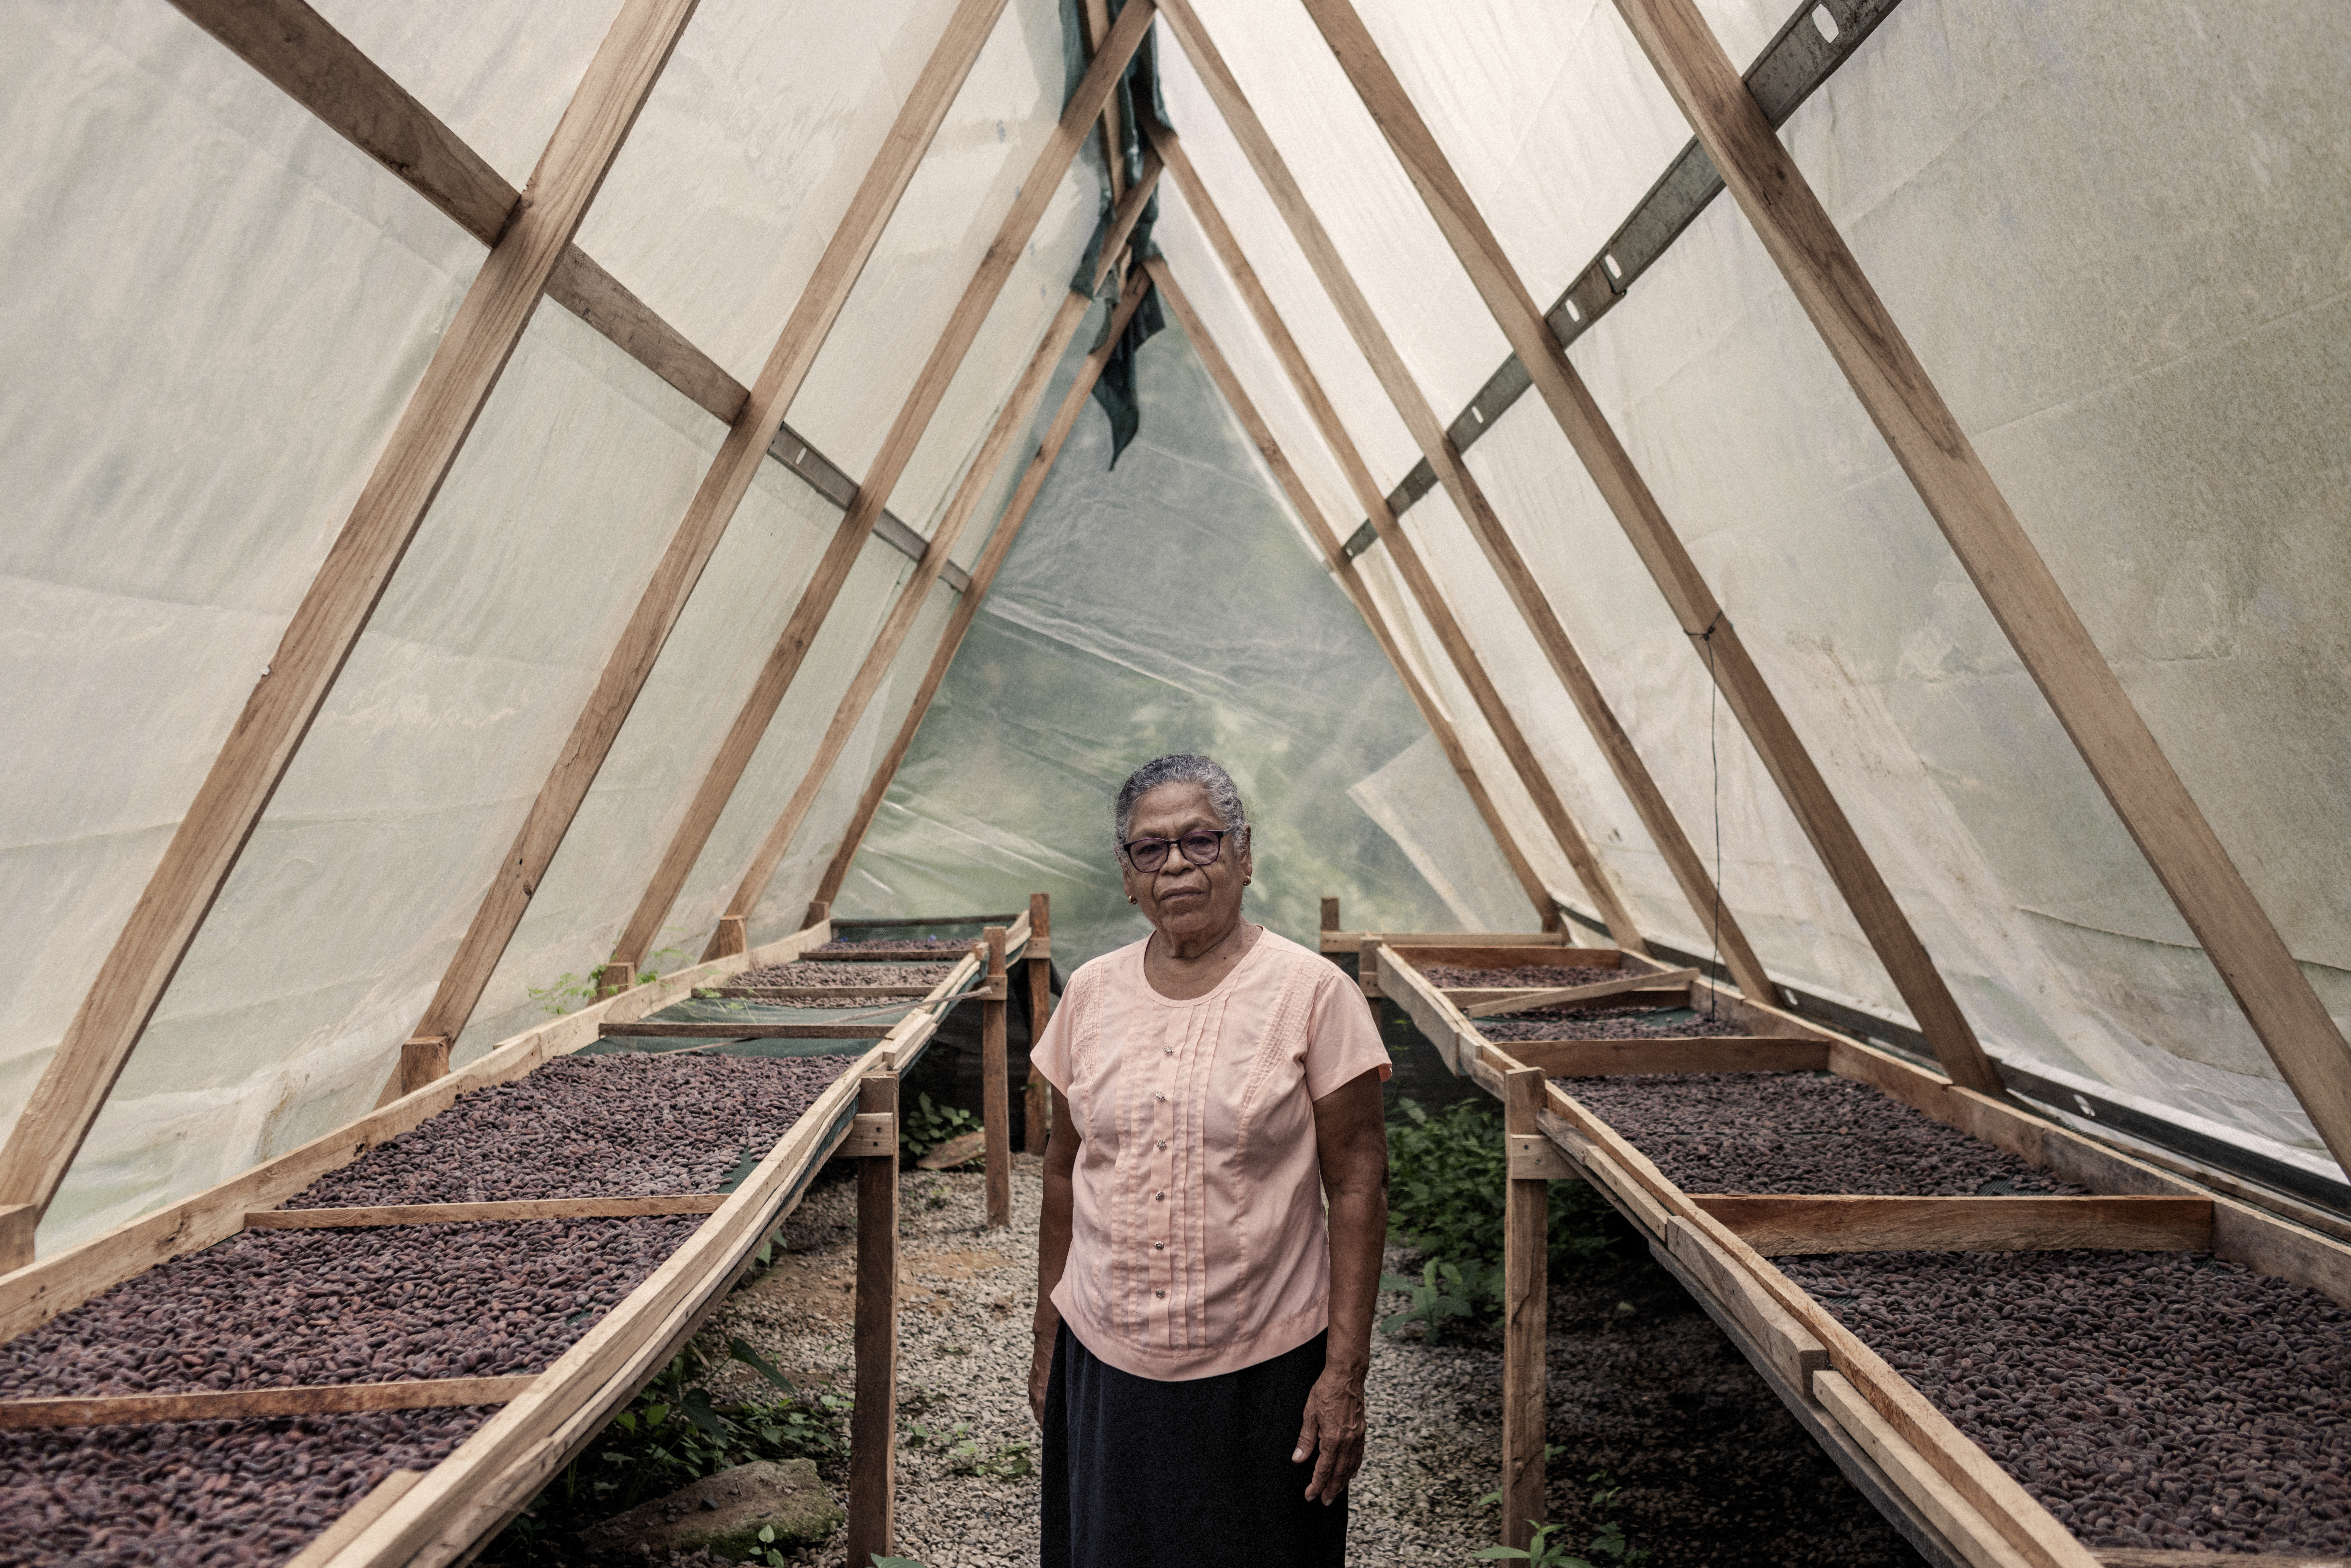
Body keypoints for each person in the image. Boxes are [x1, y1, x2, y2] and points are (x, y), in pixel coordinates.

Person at [1028, 753, 1391, 1568]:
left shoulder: (1313, 993)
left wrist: (1344, 1376)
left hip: (1262, 1370)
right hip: (1108, 1359)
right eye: (1150, 850)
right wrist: (1049, 1330)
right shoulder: (1088, 993)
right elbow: (1061, 1168)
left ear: (1245, 854)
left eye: (1201, 839)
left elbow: (1360, 1184)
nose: (1178, 865)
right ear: (1127, 877)